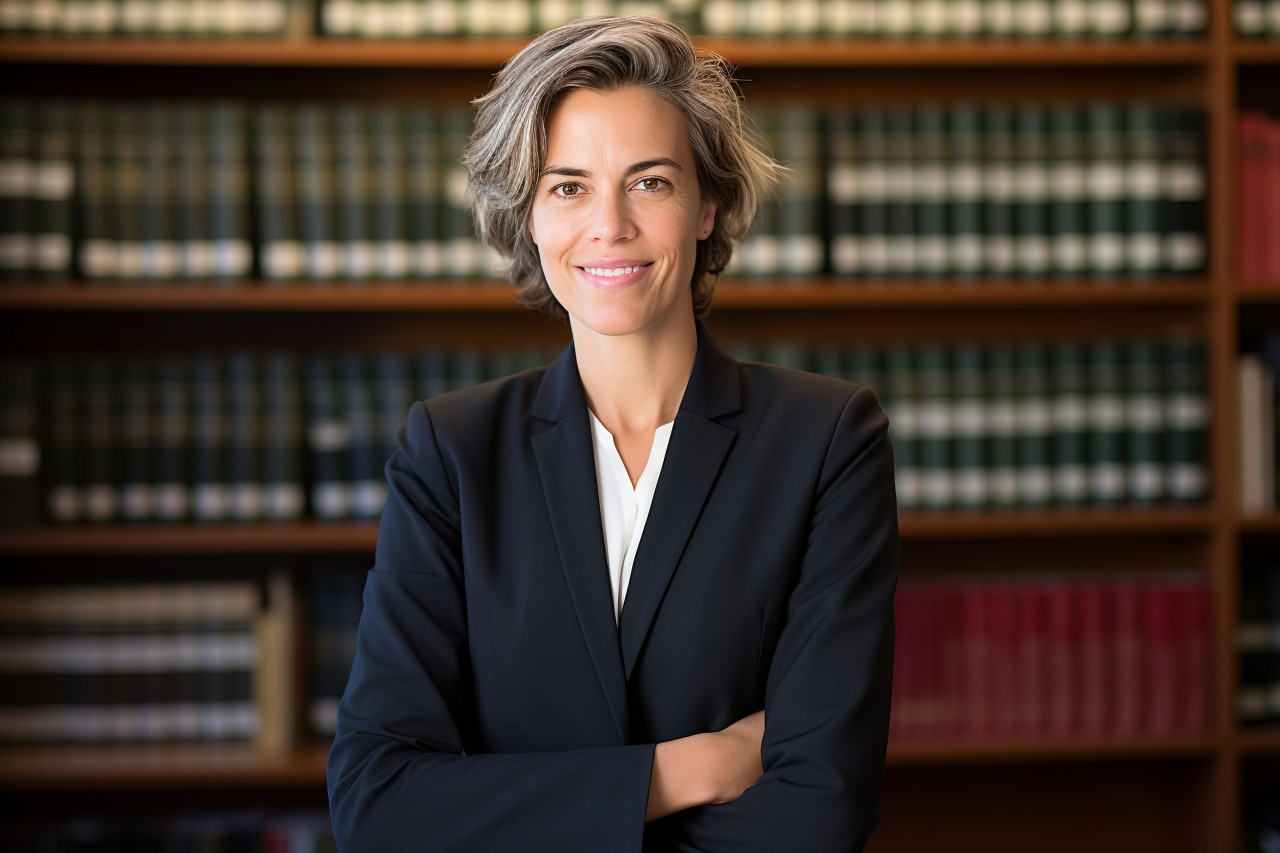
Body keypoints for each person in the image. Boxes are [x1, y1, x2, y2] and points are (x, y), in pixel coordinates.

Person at [327, 15, 898, 853]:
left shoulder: (826, 442)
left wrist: (526, 811)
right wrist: (682, 770)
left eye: (650, 182)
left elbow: (819, 811)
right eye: (568, 187)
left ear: (708, 204)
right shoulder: (450, 454)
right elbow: (377, 805)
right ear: (528, 217)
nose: (610, 226)